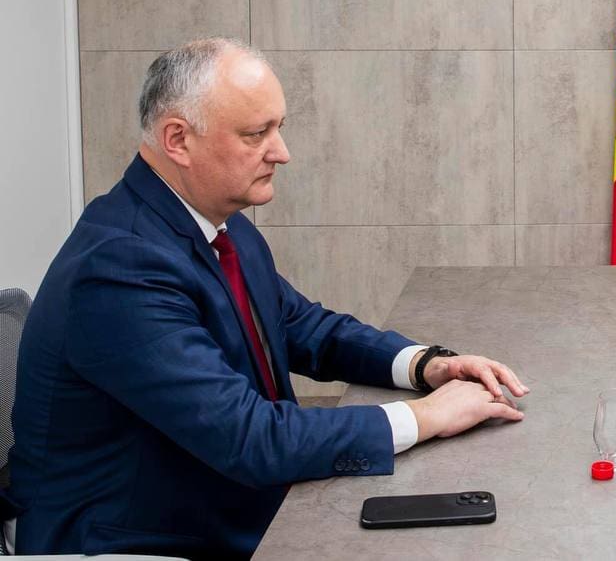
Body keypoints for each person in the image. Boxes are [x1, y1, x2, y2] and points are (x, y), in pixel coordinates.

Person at [0, 38, 529, 559]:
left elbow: (304, 328)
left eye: (279, 128)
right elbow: (249, 439)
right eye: (256, 134)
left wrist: (426, 365)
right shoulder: (119, 266)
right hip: (129, 540)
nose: (282, 152)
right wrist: (426, 418)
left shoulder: (217, 222)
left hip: (213, 501)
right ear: (178, 139)